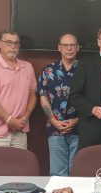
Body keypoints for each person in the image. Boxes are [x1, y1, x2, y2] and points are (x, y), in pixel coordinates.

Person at [0, 30, 37, 149]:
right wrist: (9, 120)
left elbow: (33, 95)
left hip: (19, 132)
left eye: (16, 43)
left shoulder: (28, 67)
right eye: (8, 42)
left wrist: (24, 118)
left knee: (19, 167)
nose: (13, 46)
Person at [36, 33, 79, 176]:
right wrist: (54, 121)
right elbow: (43, 98)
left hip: (80, 129)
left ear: (78, 47)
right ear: (59, 48)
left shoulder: (86, 69)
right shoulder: (49, 70)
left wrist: (76, 121)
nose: (69, 48)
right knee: (57, 174)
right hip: (55, 129)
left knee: (78, 174)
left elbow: (92, 99)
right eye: (66, 45)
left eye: (72, 45)